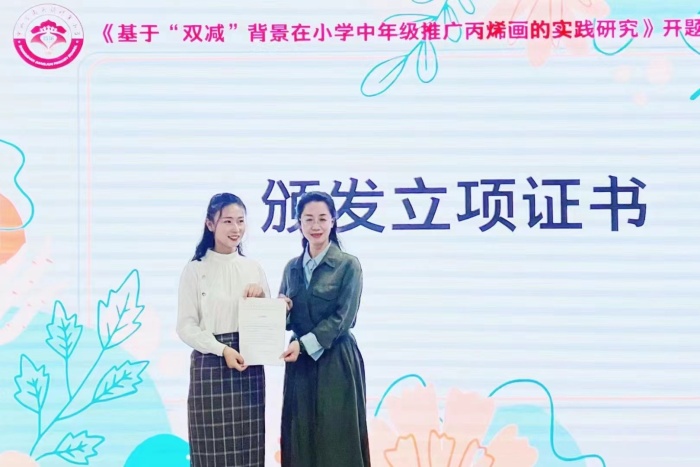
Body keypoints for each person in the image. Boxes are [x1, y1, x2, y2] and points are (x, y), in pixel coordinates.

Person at [177, 193, 270, 467]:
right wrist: (222, 349)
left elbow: (269, 322)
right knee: (211, 452)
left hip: (248, 365)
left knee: (248, 451)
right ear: (210, 224)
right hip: (210, 364)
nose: (236, 228)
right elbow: (185, 326)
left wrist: (263, 300)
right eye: (227, 221)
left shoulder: (253, 268)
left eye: (241, 221)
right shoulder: (195, 270)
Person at [277, 191, 370, 467]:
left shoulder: (348, 265)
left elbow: (344, 318)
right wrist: (280, 310)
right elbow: (286, 320)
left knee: (337, 440)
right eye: (308, 219)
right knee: (300, 437)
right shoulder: (292, 268)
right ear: (299, 224)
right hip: (300, 365)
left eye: (322, 218)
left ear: (333, 221)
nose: (315, 226)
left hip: (337, 362)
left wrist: (304, 344)